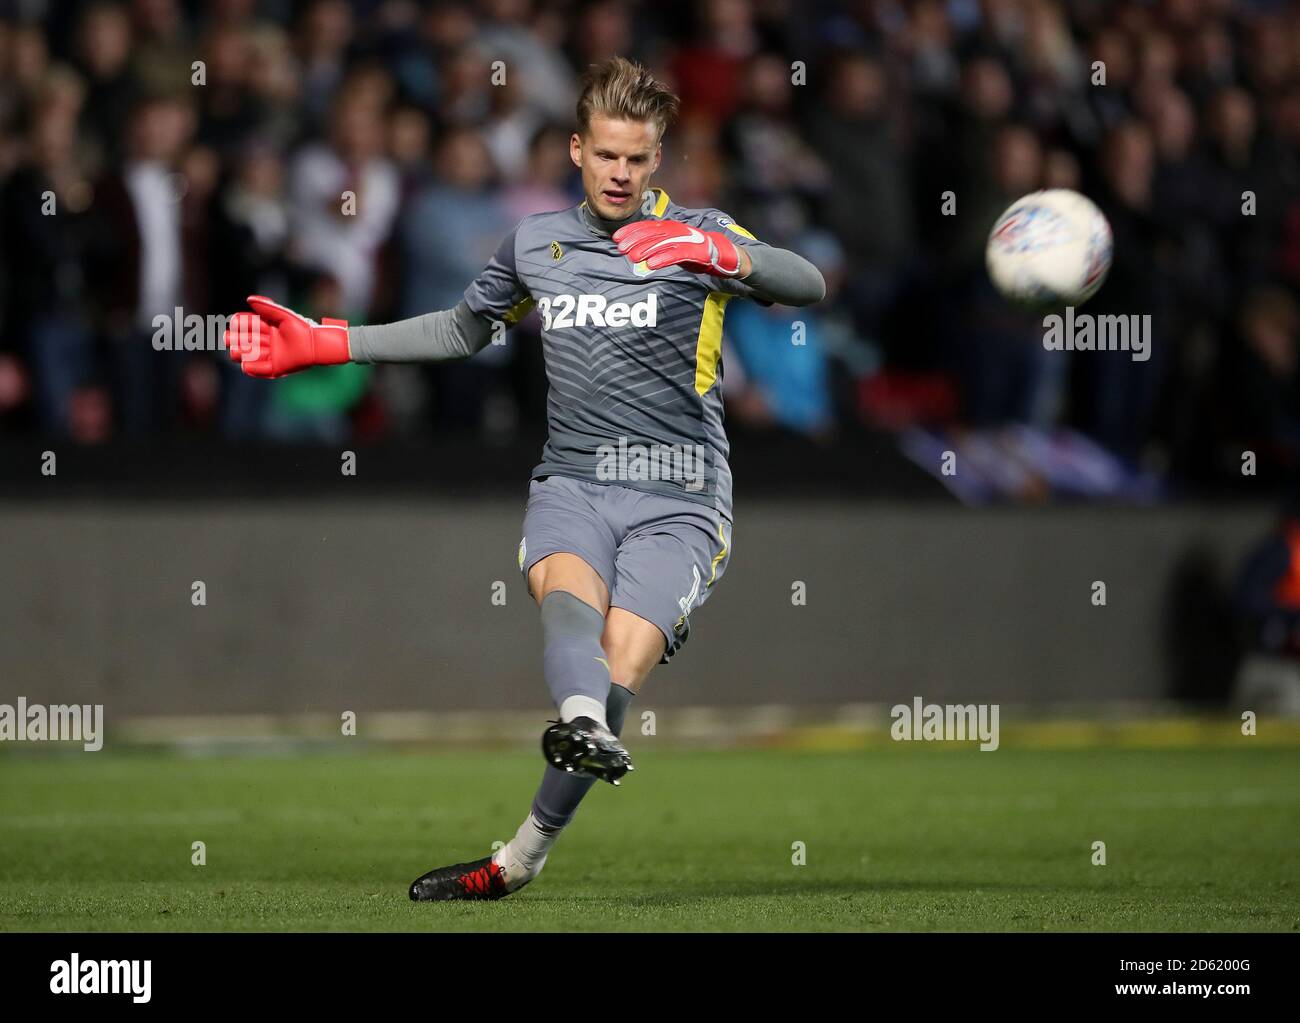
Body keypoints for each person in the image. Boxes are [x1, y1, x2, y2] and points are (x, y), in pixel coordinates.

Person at [224, 57, 825, 900]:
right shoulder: (537, 242)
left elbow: (809, 283)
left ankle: (520, 856)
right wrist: (328, 342)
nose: (621, 173)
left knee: (619, 666)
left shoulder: (698, 234)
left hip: (681, 494)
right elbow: (460, 329)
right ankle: (577, 727)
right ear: (578, 149)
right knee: (569, 609)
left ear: (657, 161)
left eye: (638, 159)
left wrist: (716, 247)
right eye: (607, 155)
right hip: (574, 480)